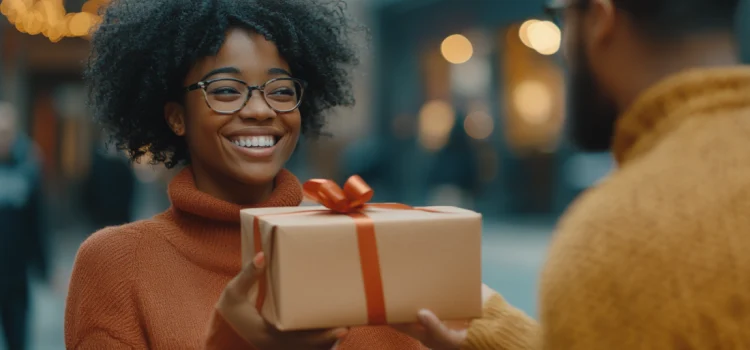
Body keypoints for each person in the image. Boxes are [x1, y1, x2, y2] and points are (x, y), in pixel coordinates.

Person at [64, 0, 427, 349]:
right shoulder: (116, 264)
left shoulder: (362, 242)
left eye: (281, 90)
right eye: (225, 90)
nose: (260, 109)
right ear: (177, 117)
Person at [394, 0, 750, 349]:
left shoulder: (613, 242)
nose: (563, 51)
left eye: (561, 16)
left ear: (599, 17)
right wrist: (497, 330)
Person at [0, 101, 48, 350]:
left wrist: (43, 265)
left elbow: (37, 221)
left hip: (16, 273)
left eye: (6, 132)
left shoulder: (28, 167)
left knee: (18, 337)